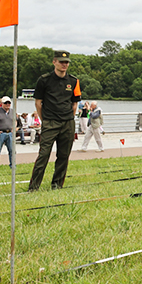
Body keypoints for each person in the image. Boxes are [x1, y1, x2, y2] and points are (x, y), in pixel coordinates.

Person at [29, 50, 81, 190]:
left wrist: (70, 117)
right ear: (54, 62)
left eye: (66, 62)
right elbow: (38, 103)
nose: (64, 65)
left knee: (63, 156)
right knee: (43, 154)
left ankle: (57, 185)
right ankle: (34, 187)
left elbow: (74, 103)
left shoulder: (73, 81)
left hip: (67, 122)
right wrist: (44, 120)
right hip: (50, 122)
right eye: (61, 62)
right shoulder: (44, 80)